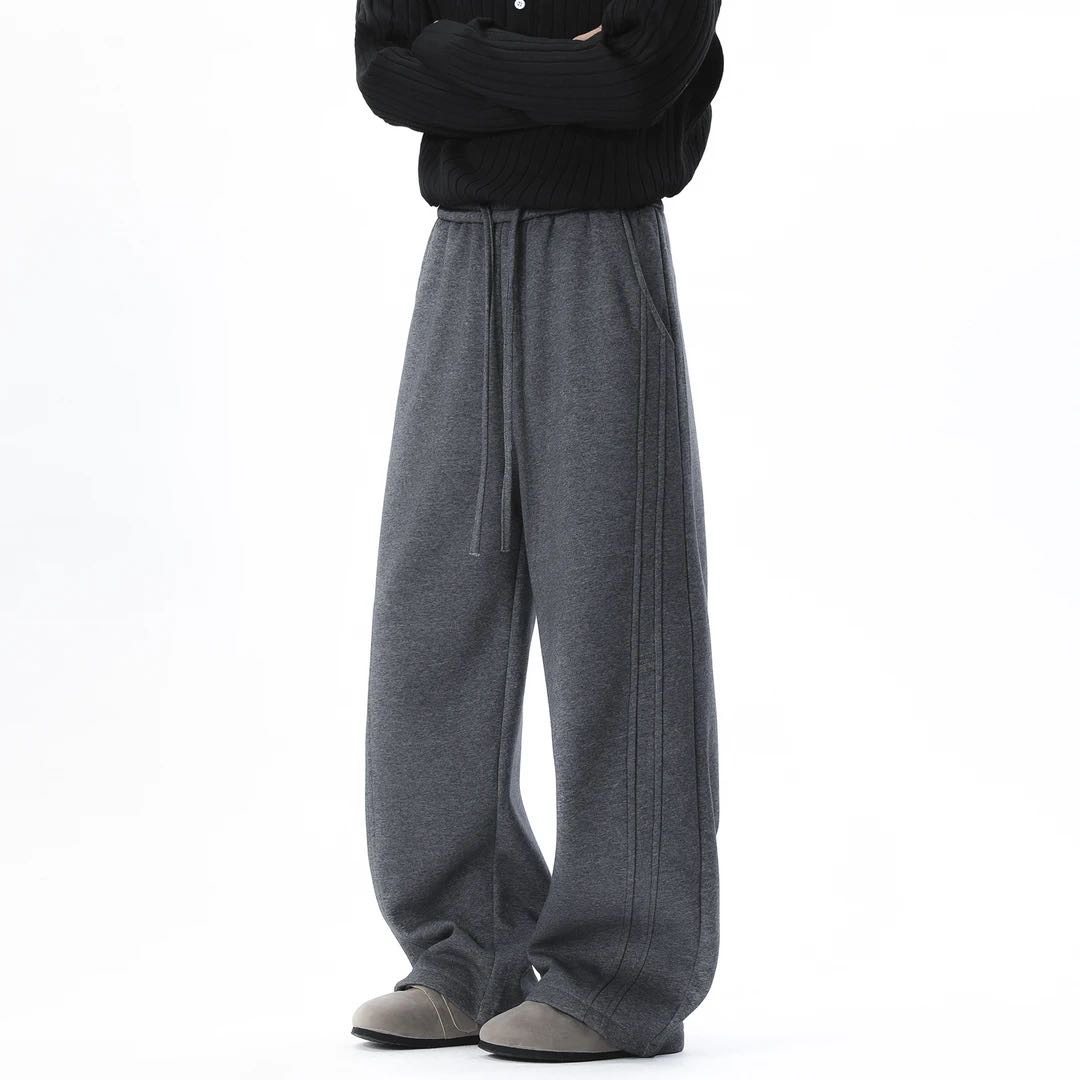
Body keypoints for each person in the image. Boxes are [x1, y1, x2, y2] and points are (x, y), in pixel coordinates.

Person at [350, 0, 724, 1062]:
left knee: (617, 612)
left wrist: (458, 52)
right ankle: (464, 953)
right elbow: (387, 72)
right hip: (461, 252)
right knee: (431, 612)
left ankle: (622, 976)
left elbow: (636, 82)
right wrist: (542, 65)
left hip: (601, 249)